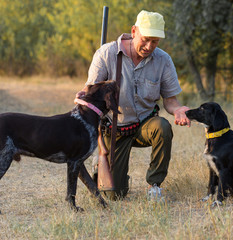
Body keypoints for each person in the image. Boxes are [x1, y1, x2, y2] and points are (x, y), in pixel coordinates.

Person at [76, 10, 191, 201]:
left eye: (155, 42)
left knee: (162, 127)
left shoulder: (164, 60)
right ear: (134, 31)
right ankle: (107, 170)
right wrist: (82, 97)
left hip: (145, 125)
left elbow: (170, 101)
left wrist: (178, 109)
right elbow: (90, 95)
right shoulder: (106, 54)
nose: (149, 46)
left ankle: (154, 185)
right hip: (114, 131)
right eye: (145, 39)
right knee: (114, 195)